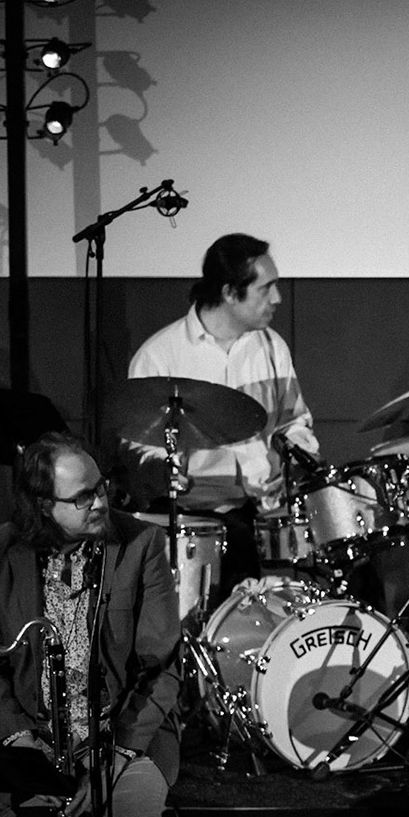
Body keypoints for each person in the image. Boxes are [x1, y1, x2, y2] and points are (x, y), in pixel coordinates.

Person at [0, 432, 182, 817]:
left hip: (125, 731)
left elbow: (163, 668)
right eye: (83, 496)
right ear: (45, 505)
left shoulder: (142, 543)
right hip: (35, 729)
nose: (101, 501)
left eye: (100, 487)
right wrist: (19, 740)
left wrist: (114, 754)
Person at [122, 233, 320, 585]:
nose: (277, 298)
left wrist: (300, 452)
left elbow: (293, 423)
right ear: (230, 292)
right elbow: (138, 447)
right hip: (192, 517)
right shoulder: (160, 356)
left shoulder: (272, 347)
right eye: (266, 288)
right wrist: (162, 469)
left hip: (261, 510)